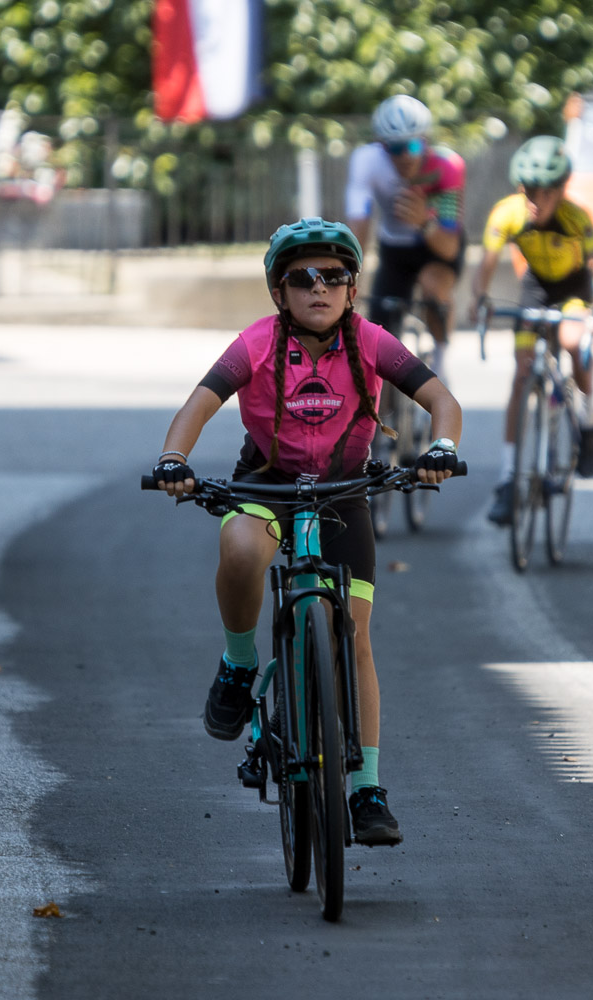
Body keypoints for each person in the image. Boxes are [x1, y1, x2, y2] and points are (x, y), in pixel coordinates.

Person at [151, 218, 463, 847]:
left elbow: (442, 402)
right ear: (279, 292)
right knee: (242, 549)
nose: (319, 288)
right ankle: (239, 663)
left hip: (344, 494)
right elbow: (198, 405)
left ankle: (367, 789)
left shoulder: (371, 341)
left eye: (334, 276)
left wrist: (442, 448)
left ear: (353, 288)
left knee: (357, 637)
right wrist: (174, 460)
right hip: (266, 486)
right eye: (303, 278)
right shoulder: (256, 342)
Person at [469, 136, 593, 526]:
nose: (536, 200)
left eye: (546, 192)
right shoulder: (507, 214)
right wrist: (479, 298)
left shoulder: (576, 218)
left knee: (571, 341)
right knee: (521, 375)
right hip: (535, 288)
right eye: (529, 190)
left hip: (573, 288)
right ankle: (508, 480)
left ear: (561, 190)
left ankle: (589, 420)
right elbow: (486, 262)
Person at [345, 95, 467, 376]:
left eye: (413, 145)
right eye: (395, 148)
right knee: (379, 336)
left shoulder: (447, 166)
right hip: (394, 248)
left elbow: (449, 247)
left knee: (434, 289)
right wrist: (350, 275)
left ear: (426, 141)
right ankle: (384, 399)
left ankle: (440, 361)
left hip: (435, 247)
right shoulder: (366, 161)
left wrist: (424, 221)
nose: (406, 156)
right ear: (381, 145)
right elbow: (359, 225)